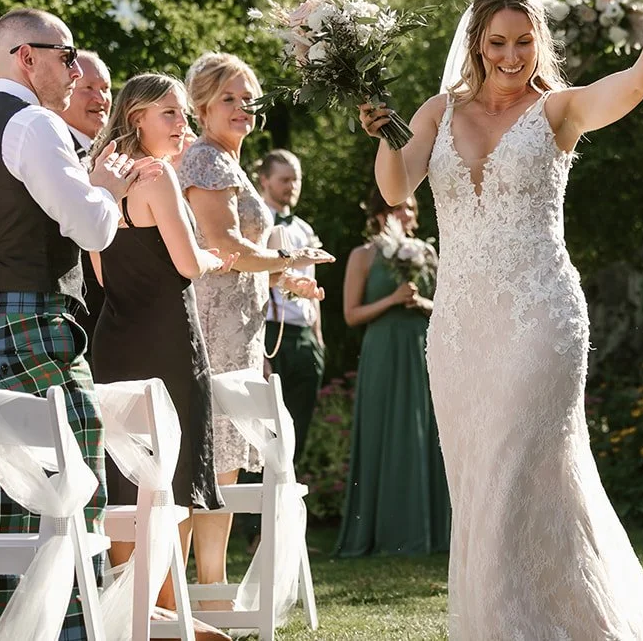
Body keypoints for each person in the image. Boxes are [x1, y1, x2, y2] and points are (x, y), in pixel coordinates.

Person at [359, 0, 643, 640]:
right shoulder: (437, 111)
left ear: (538, 41)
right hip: (461, 329)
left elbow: (640, 80)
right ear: (476, 44)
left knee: (514, 472)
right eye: (497, 42)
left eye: (523, 41)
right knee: (482, 486)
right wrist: (383, 132)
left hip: (538, 319)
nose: (511, 55)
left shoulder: (557, 109)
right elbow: (398, 188)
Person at [0, 6, 157, 638]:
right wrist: (105, 187)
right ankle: (67, 630)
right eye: (66, 56)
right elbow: (92, 225)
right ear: (24, 58)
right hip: (34, 323)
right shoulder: (35, 124)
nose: (75, 67)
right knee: (70, 482)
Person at [90, 74, 249, 611]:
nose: (184, 126)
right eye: (171, 115)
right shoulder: (157, 178)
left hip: (114, 340)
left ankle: (127, 611)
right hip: (168, 343)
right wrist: (214, 257)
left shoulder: (101, 175)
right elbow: (187, 264)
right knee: (174, 480)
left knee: (123, 479)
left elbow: (103, 273)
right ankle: (167, 612)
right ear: (137, 118)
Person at [180, 53, 327, 600]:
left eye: (249, 99)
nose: (243, 108)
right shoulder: (207, 162)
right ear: (201, 105)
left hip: (241, 331)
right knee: (211, 457)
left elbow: (253, 251)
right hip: (215, 329)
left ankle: (210, 589)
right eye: (229, 99)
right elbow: (222, 246)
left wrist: (290, 281)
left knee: (222, 464)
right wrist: (287, 261)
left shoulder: (230, 163)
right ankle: (203, 592)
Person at [335, 191, 450, 557]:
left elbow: (448, 308)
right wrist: (392, 299)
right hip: (383, 350)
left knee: (425, 431)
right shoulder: (363, 256)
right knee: (383, 429)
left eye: (411, 208)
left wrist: (419, 303)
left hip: (421, 347)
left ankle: (430, 531)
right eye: (399, 207)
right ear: (381, 213)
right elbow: (351, 315)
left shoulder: (426, 254)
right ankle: (383, 530)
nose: (406, 214)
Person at [256, 149, 327, 468]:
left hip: (304, 337)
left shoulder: (304, 228)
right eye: (284, 180)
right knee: (264, 427)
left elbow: (313, 286)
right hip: (269, 331)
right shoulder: (256, 222)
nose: (292, 186)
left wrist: (318, 339)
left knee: (298, 425)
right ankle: (251, 513)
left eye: (296, 180)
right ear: (264, 181)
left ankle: (286, 493)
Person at [60, 49, 112, 350]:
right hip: (79, 305)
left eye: (106, 89)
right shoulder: (59, 148)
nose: (101, 99)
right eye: (88, 89)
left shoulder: (114, 151)